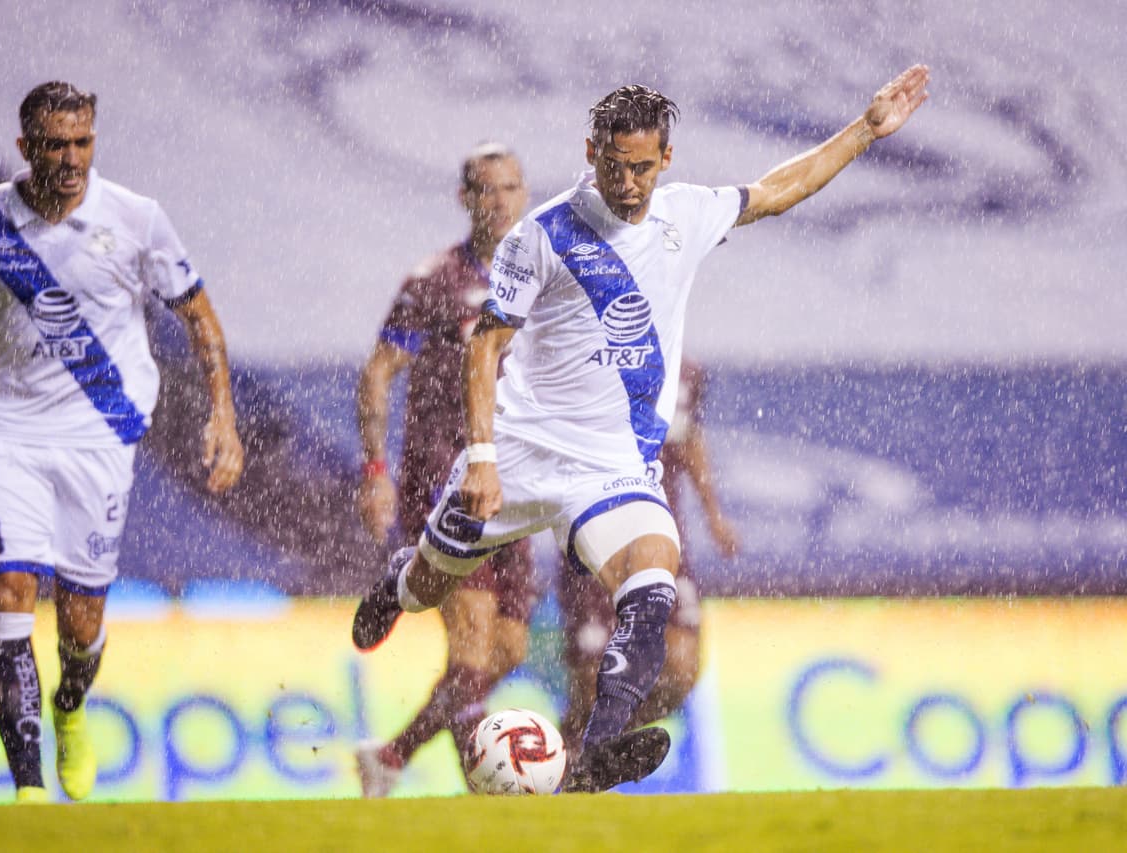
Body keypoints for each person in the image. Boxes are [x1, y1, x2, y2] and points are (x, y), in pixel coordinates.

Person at [353, 66, 931, 793]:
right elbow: (486, 345)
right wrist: (482, 455)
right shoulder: (543, 235)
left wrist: (865, 131)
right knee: (431, 581)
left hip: (613, 467)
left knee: (652, 578)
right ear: (590, 151)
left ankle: (595, 752)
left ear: (667, 160)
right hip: (525, 453)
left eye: (643, 169)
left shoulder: (684, 215)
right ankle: (397, 585)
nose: (628, 185)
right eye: (615, 167)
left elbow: (780, 188)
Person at [0, 81, 244, 803]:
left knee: (80, 624)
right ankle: (28, 793)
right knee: (10, 596)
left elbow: (198, 314)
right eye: (56, 145)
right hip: (9, 436)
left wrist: (223, 415)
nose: (73, 158)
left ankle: (72, 706)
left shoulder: (136, 220)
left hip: (100, 439)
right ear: (25, 148)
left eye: (83, 142)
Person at [353, 143, 537, 797]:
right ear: (465, 198)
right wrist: (376, 469)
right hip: (448, 481)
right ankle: (488, 801)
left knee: (507, 649)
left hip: (519, 487)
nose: (501, 201)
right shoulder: (435, 280)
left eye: (511, 188)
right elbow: (379, 372)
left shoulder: (543, 279)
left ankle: (392, 755)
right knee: (472, 641)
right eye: (487, 189)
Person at [558, 359, 738, 760]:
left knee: (682, 668)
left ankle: (582, 750)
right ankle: (573, 755)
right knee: (593, 684)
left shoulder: (684, 370)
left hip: (663, 546)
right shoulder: (583, 354)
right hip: (595, 546)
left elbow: (689, 438)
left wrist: (714, 514)